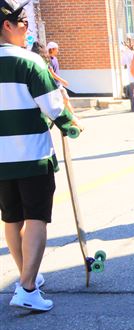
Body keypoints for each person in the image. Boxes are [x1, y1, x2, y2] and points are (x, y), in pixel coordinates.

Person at [0, 0, 77, 312]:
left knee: (11, 217)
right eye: (23, 23)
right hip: (31, 155)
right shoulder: (29, 62)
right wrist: (71, 127)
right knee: (36, 218)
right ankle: (28, 287)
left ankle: (26, 275)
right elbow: (54, 107)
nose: (27, 29)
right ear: (8, 25)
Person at [46, 41, 75, 115]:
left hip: (58, 84)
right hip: (53, 85)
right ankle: (73, 117)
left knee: (66, 99)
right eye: (56, 49)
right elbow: (52, 74)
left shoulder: (55, 58)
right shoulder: (48, 60)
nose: (58, 50)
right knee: (65, 99)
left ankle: (72, 116)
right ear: (52, 49)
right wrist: (63, 81)